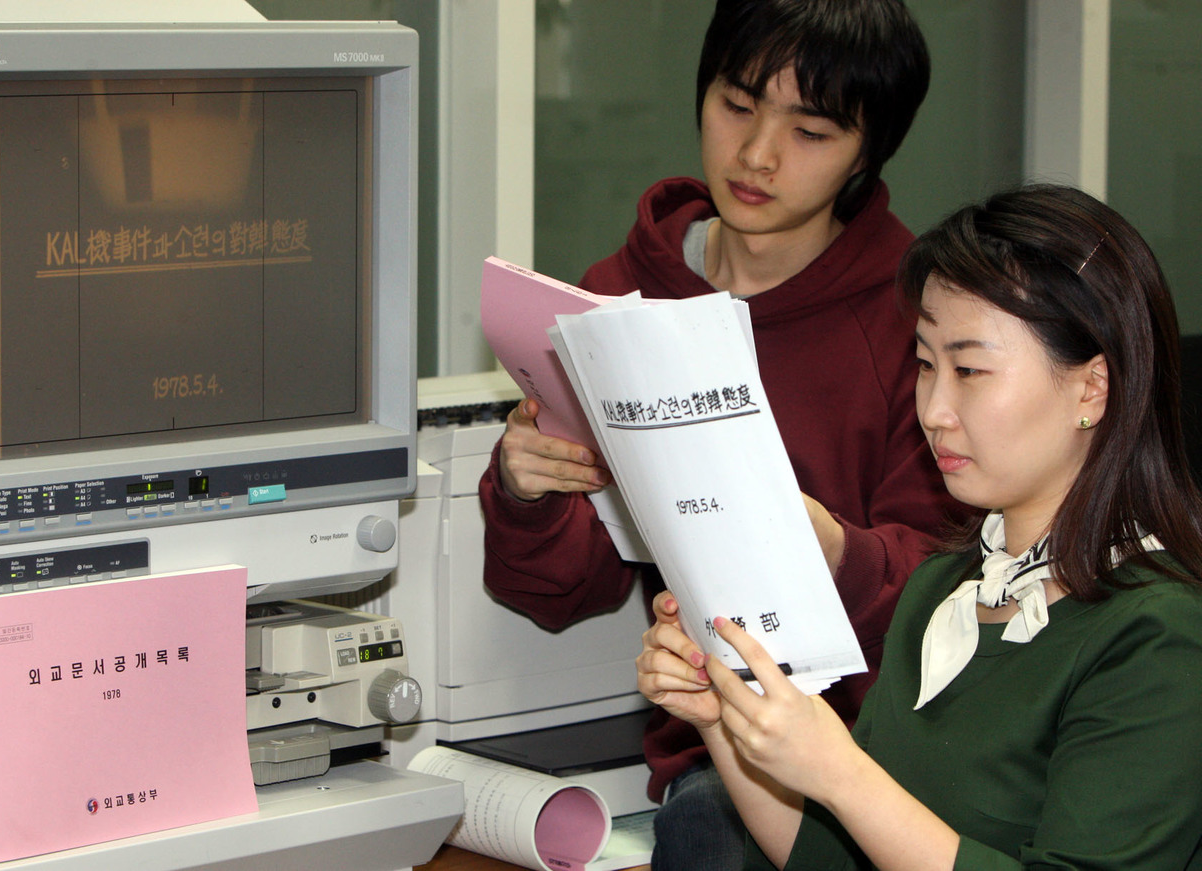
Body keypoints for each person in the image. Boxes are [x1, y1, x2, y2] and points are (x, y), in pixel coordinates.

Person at [478, 2, 961, 868]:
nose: (758, 155)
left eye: (810, 130)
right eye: (738, 106)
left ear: (867, 152)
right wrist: (526, 488)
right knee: (712, 823)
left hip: (884, 740)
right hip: (713, 737)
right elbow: (560, 593)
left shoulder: (913, 315)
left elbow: (952, 580)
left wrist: (833, 549)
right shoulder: (621, 295)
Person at [637, 183, 1202, 870]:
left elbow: (862, 801)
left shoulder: (1158, 632)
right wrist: (721, 715)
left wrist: (842, 773)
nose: (933, 409)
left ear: (1092, 387)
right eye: (927, 365)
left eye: (969, 369)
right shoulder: (943, 587)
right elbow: (832, 857)